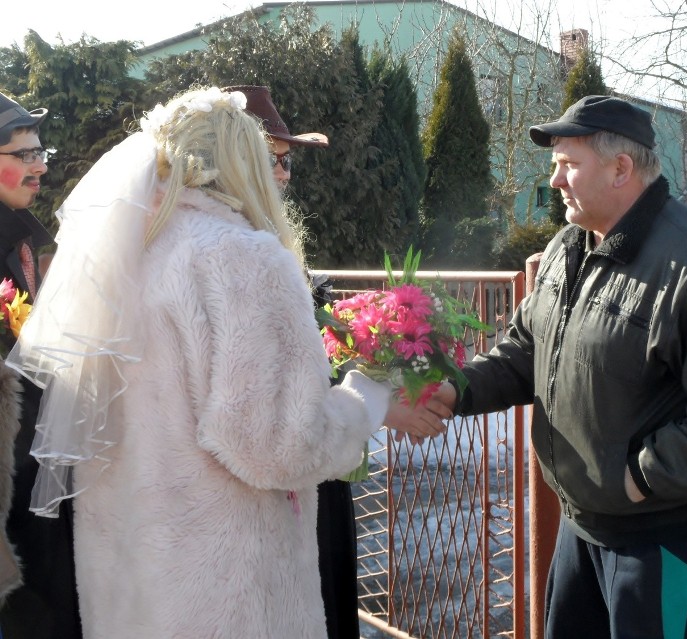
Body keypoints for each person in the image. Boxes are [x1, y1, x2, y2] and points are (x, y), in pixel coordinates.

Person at [5, 86, 446, 638]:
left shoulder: (119, 262)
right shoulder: (243, 257)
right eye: (270, 159)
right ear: (243, 163)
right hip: (225, 593)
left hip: (130, 589)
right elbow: (280, 446)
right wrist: (369, 398)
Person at [425, 95, 687, 638]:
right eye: (555, 166)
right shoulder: (567, 248)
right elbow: (526, 349)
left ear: (622, 168)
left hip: (660, 538)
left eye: (568, 165)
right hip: (583, 527)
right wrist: (457, 391)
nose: (555, 181)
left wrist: (640, 479)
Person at [224, 84, 361, 639]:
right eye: (273, 160)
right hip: (275, 471)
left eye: (287, 163)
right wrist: (368, 394)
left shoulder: (259, 236)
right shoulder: (234, 249)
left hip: (306, 456)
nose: (283, 174)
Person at [0, 91, 82, 638]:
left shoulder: (27, 237)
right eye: (24, 154)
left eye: (39, 151)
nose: (41, 166)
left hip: (32, 466)